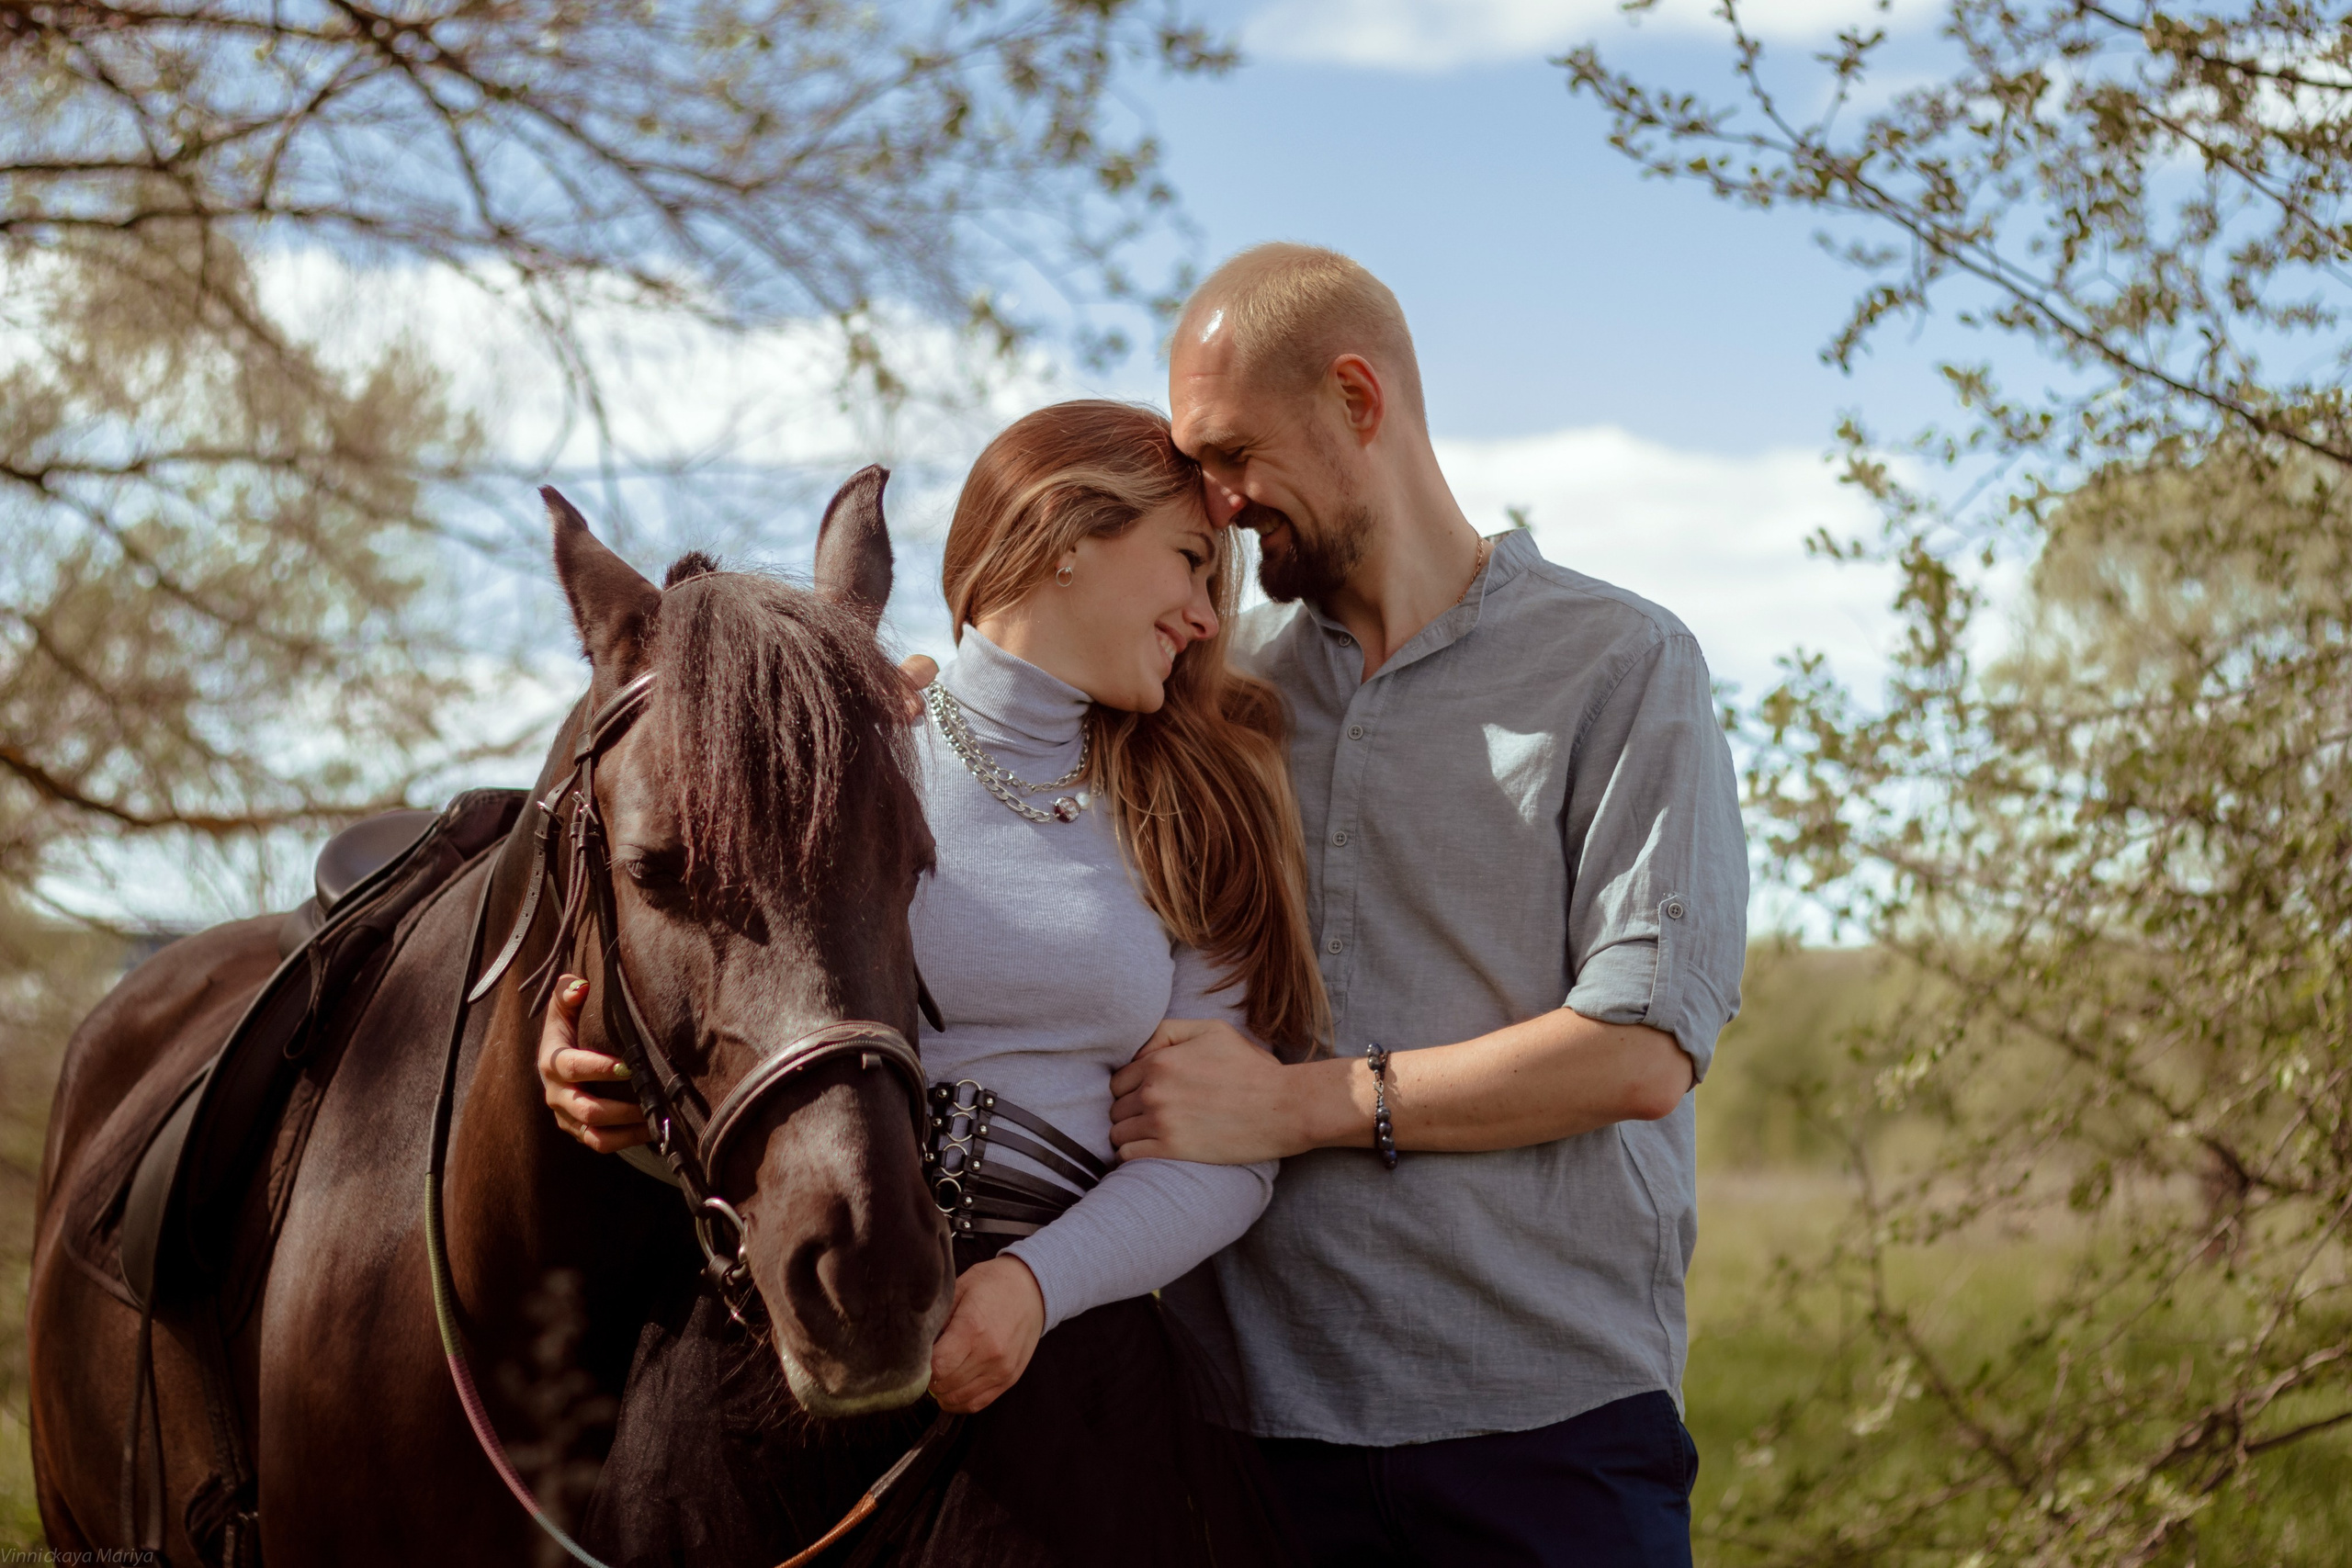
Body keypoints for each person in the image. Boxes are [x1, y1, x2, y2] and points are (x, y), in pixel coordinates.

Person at [537, 400, 1322, 1564]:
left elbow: (1225, 1157)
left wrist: (1032, 1290)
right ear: (1063, 532)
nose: (1211, 616)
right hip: (768, 1352)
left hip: (1061, 1380)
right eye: (1194, 561)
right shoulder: (833, 749)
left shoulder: (1198, 814)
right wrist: (600, 1079)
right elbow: (698, 977)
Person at [1102, 243, 1748, 1567]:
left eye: (1231, 455)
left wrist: (1296, 1103)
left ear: (1357, 397)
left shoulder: (1622, 664)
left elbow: (1637, 1049)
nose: (1215, 505)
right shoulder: (1209, 700)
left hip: (1551, 1435)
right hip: (1246, 1441)